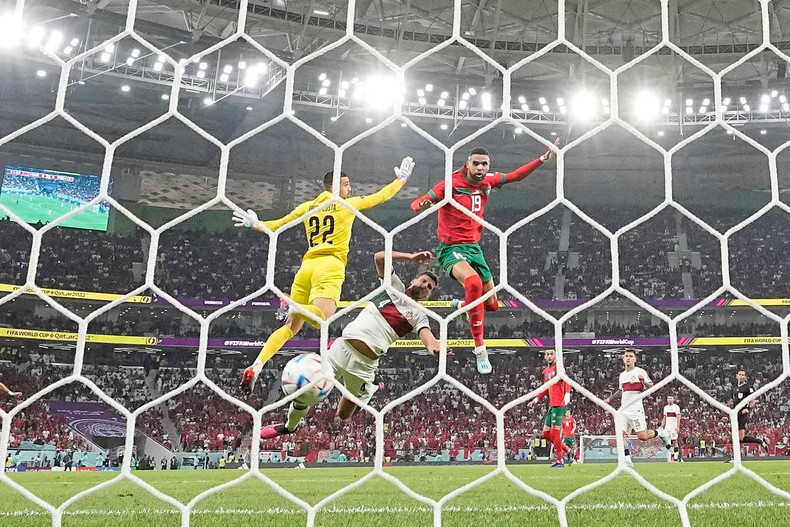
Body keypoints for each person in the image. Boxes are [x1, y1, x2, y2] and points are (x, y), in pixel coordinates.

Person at [235, 158, 416, 392]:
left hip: (306, 267)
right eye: (346, 184)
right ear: (332, 187)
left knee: (291, 327)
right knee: (321, 319)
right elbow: (380, 196)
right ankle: (291, 303)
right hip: (330, 266)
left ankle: (257, 365)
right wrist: (400, 179)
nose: (350, 188)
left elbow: (278, 225)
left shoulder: (307, 207)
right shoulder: (345, 204)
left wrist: (256, 224)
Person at [410, 139, 559, 374]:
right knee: (473, 282)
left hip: (475, 248)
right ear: (467, 164)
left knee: (492, 306)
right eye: (476, 164)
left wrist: (542, 159)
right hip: (451, 248)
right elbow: (416, 204)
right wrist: (424, 204)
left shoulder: (488, 181)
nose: (480, 168)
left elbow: (515, 176)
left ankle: (464, 305)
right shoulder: (450, 184)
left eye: (484, 164)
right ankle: (480, 349)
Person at [260, 249, 440, 439]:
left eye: (429, 287)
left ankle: (367, 390)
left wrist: (436, 348)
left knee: (344, 414)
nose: (425, 286)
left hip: (364, 365)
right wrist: (410, 257)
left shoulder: (419, 316)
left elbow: (429, 339)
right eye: (423, 281)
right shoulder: (392, 286)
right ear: (413, 281)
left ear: (428, 295)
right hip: (340, 349)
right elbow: (378, 257)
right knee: (305, 388)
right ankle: (290, 426)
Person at [603, 349, 670, 467]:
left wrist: (644, 382)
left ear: (635, 359)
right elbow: (620, 391)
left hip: (636, 410)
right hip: (624, 410)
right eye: (626, 356)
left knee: (642, 437)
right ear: (623, 359)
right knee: (619, 436)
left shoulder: (640, 372)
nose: (628, 358)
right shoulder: (622, 375)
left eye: (630, 356)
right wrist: (610, 399)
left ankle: (660, 432)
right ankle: (627, 460)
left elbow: (652, 388)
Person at [527, 348, 572, 468]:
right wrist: (536, 399)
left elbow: (567, 381)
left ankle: (559, 460)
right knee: (546, 434)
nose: (549, 356)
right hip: (552, 406)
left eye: (552, 354)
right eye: (547, 354)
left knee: (555, 433)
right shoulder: (546, 371)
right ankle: (567, 450)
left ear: (556, 356)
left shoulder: (559, 368)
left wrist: (567, 394)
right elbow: (546, 388)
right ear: (545, 357)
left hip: (559, 405)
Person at [725, 369, 768, 462]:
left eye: (743, 374)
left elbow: (752, 401)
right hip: (735, 413)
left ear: (745, 377)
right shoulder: (734, 387)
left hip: (743, 414)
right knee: (738, 438)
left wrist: (747, 409)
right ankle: (759, 441)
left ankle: (735, 458)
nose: (741, 376)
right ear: (737, 376)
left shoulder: (748, 387)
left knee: (737, 438)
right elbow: (733, 400)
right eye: (739, 374)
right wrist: (726, 406)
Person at [661, 395, 682, 462]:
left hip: (674, 427)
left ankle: (676, 456)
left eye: (671, 398)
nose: (669, 399)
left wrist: (677, 427)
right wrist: (661, 426)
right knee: (665, 440)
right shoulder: (665, 408)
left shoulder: (676, 407)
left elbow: (678, 417)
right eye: (668, 398)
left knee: (674, 441)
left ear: (673, 399)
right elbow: (664, 417)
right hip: (667, 427)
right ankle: (672, 452)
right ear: (667, 400)